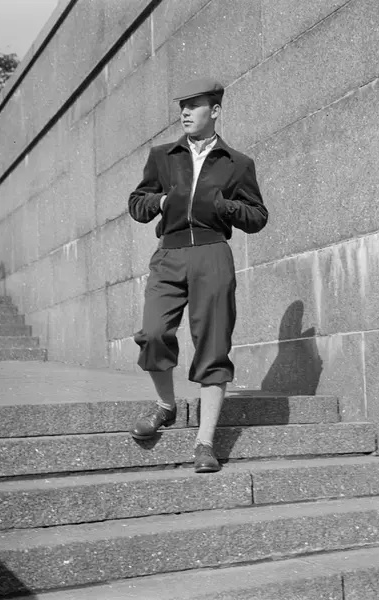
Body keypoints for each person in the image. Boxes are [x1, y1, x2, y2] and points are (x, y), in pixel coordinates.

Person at [127, 78, 268, 473]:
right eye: (182, 107)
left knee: (213, 343)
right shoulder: (163, 156)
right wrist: (161, 201)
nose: (185, 113)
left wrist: (224, 207)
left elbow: (258, 216)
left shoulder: (237, 163)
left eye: (194, 105)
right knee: (153, 333)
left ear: (215, 110)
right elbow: (137, 204)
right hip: (169, 253)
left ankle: (205, 442)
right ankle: (165, 405)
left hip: (213, 254)